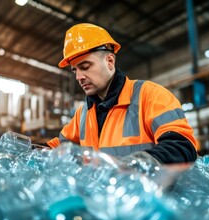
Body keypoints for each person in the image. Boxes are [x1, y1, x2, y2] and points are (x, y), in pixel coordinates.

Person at [45, 23, 197, 164]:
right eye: (75, 70)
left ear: (110, 61)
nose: (78, 77)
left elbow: (181, 147)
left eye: (85, 67)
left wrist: (131, 169)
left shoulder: (150, 95)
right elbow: (58, 146)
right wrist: (30, 150)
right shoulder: (83, 113)